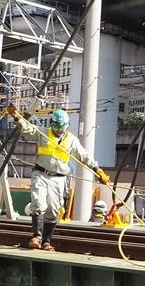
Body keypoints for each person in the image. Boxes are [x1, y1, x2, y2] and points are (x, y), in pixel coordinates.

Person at [18, 108, 109, 251]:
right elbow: (27, 129)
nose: (59, 131)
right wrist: (16, 117)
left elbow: (83, 156)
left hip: (58, 178)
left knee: (54, 210)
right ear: (52, 124)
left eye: (62, 128)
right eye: (57, 127)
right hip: (40, 173)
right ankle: (37, 237)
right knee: (38, 203)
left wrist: (98, 170)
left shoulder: (72, 140)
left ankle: (46, 242)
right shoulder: (43, 132)